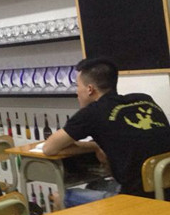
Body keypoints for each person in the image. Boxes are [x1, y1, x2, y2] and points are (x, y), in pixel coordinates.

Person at [43, 57, 170, 199]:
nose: (76, 92)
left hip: (136, 198)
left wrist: (93, 146)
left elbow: (49, 148)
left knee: (60, 196)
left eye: (77, 86)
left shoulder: (93, 112)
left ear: (90, 89)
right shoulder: (144, 99)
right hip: (163, 189)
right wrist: (96, 146)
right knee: (94, 186)